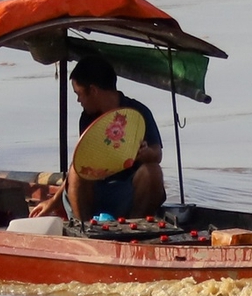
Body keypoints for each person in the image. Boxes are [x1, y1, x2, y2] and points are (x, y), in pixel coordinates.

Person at [31, 56, 166, 220]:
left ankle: (136, 224)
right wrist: (52, 202)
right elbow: (82, 164)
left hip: (127, 190)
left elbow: (156, 154)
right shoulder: (87, 118)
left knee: (152, 171)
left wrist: (146, 152)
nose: (78, 100)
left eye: (79, 94)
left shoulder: (138, 112)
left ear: (93, 91)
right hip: (95, 190)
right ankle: (85, 228)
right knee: (75, 170)